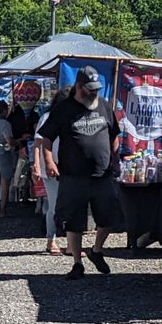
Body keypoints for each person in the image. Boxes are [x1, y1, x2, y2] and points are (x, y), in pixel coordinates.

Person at [37, 66, 123, 280]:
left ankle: (97, 250)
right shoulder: (63, 110)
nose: (93, 93)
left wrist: (115, 159)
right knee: (73, 221)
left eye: (96, 89)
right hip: (73, 175)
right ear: (78, 87)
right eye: (89, 89)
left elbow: (114, 134)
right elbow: (46, 139)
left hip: (102, 174)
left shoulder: (103, 106)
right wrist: (48, 162)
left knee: (108, 217)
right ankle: (77, 263)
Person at [33, 88, 70, 255]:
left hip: (69, 167)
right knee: (55, 205)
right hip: (50, 168)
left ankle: (71, 243)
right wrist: (37, 165)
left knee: (71, 206)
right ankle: (51, 239)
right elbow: (37, 144)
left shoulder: (71, 117)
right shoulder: (47, 118)